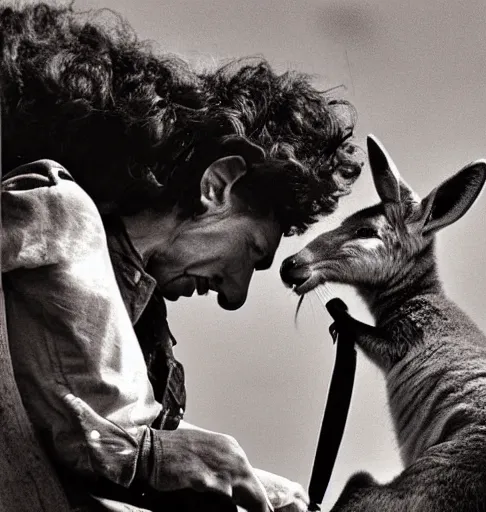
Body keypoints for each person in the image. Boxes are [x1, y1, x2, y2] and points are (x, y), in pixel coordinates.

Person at [0, 3, 363, 511]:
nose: (235, 295)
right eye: (252, 252)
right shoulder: (48, 208)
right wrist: (156, 455)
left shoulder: (152, 357)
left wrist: (265, 490)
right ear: (216, 185)